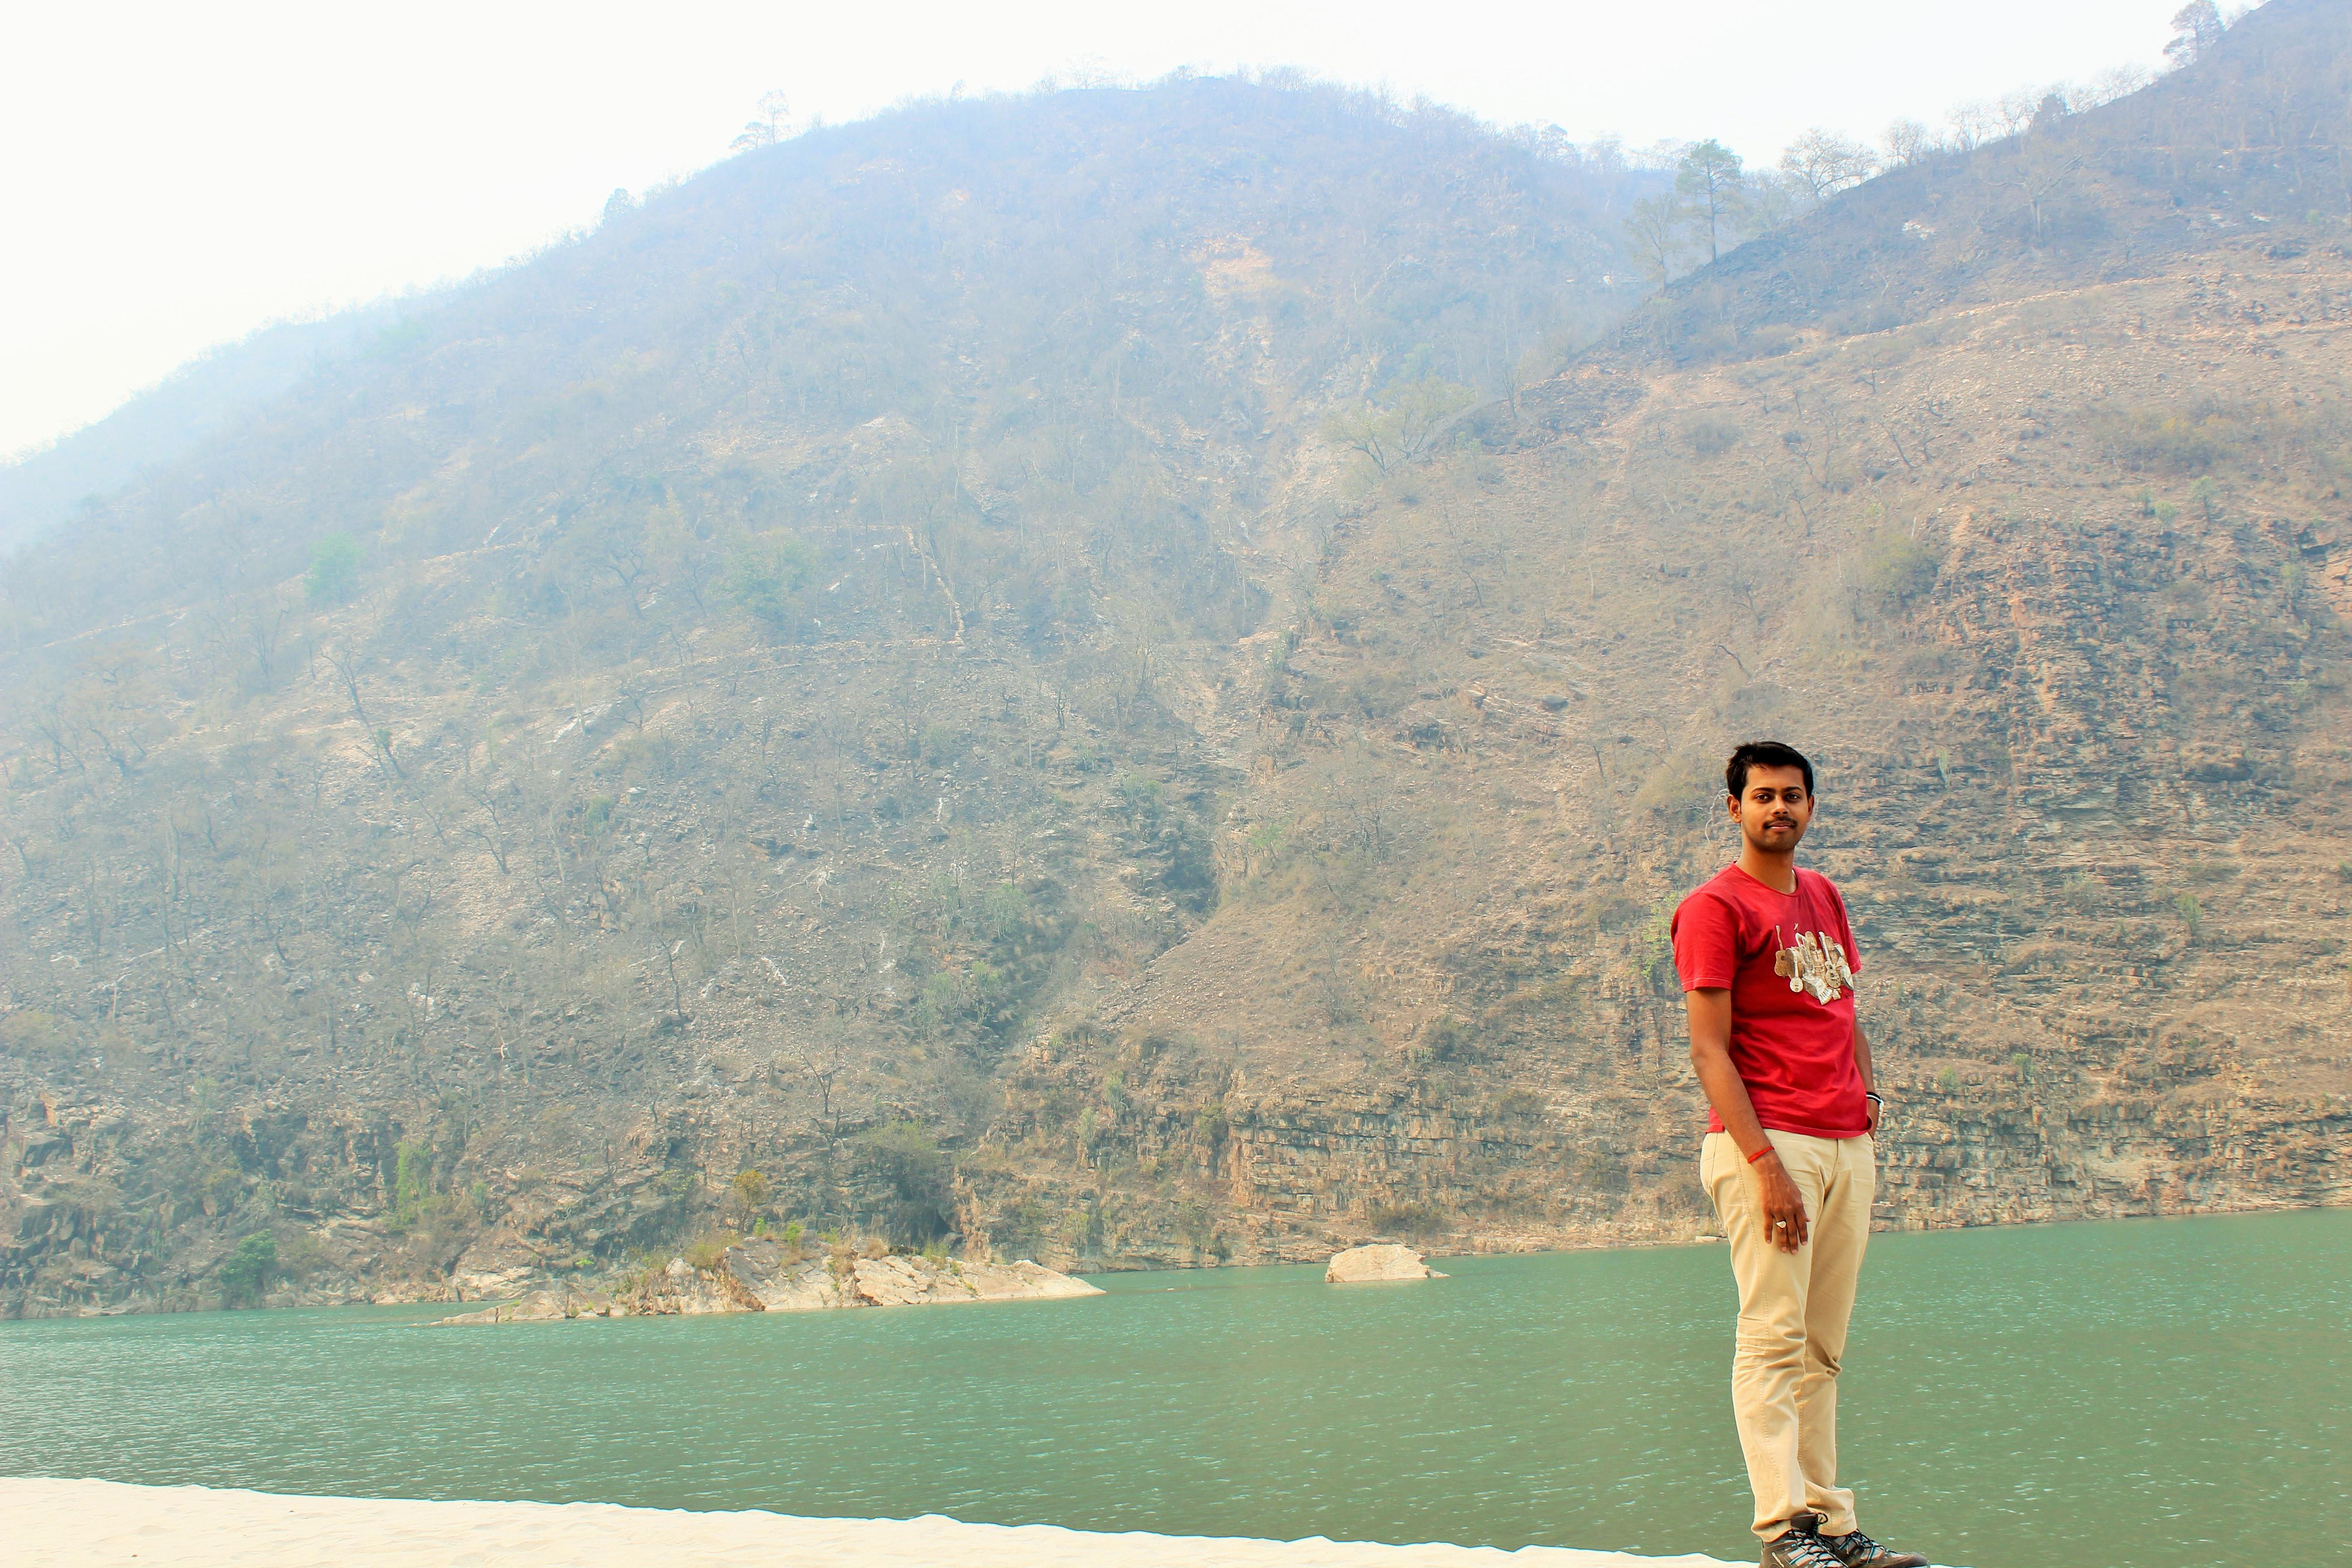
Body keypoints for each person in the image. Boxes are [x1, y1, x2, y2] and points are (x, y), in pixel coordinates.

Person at [1672, 741, 1930, 1568]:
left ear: (1810, 807)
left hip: (1845, 1142)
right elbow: (1709, 1050)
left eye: (1792, 795)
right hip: (1770, 1145)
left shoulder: (1824, 895)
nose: (1778, 808)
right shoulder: (1714, 908)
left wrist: (1869, 1096)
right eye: (1762, 796)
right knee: (1773, 1337)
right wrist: (1764, 1166)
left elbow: (1841, 1005)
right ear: (1735, 809)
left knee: (1822, 1348)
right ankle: (1782, 1531)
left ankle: (1831, 1524)